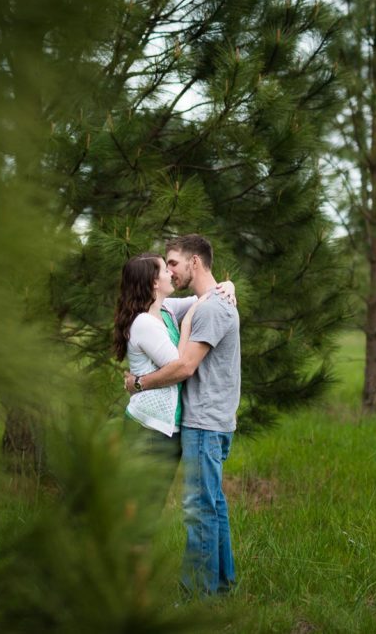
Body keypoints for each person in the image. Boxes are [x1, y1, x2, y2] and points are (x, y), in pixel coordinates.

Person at [124, 235, 241, 598]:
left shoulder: (212, 308)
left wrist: (139, 382)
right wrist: (228, 284)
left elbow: (184, 366)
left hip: (205, 421)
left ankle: (198, 596)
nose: (170, 272)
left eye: (173, 263)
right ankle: (221, 586)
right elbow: (158, 310)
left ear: (194, 262)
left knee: (199, 509)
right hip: (206, 420)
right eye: (165, 267)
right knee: (213, 504)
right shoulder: (192, 304)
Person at [112, 253, 236, 501]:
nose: (171, 272)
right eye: (164, 269)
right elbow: (178, 366)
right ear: (154, 283)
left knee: (148, 508)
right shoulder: (145, 322)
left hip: (164, 428)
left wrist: (228, 285)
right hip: (148, 428)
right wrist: (188, 323)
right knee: (140, 509)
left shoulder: (166, 309)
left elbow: (202, 297)